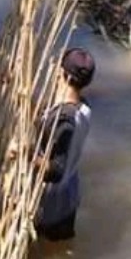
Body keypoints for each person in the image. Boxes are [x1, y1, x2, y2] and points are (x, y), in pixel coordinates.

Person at [33, 47, 95, 242]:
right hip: (69, 195)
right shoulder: (82, 107)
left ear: (63, 75)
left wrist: (24, 154)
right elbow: (48, 122)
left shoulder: (64, 121)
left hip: (52, 204)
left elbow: (55, 170)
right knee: (59, 251)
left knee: (44, 252)